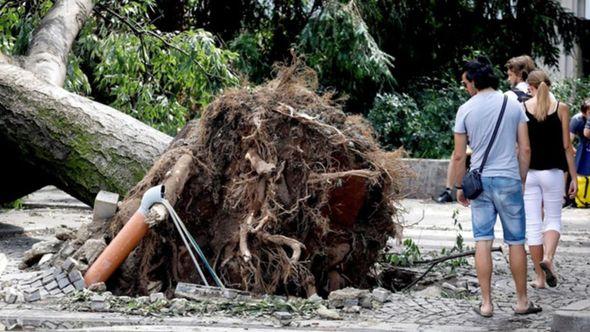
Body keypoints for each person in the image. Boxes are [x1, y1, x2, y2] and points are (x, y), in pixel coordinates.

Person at [453, 59, 540, 317]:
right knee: (515, 241)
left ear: (474, 81)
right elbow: (524, 148)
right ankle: (522, 301)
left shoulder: (465, 109)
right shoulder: (513, 105)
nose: (465, 87)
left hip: (479, 183)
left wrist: (459, 186)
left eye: (465, 82)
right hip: (509, 179)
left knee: (482, 240)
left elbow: (459, 156)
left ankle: (487, 304)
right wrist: (521, 179)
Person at [522, 70, 577, 289]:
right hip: (554, 173)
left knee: (533, 226)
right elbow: (566, 146)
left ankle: (539, 278)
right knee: (553, 219)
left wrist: (521, 175)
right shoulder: (561, 108)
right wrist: (573, 177)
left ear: (530, 87)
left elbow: (523, 147)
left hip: (531, 173)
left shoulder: (523, 108)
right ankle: (549, 258)